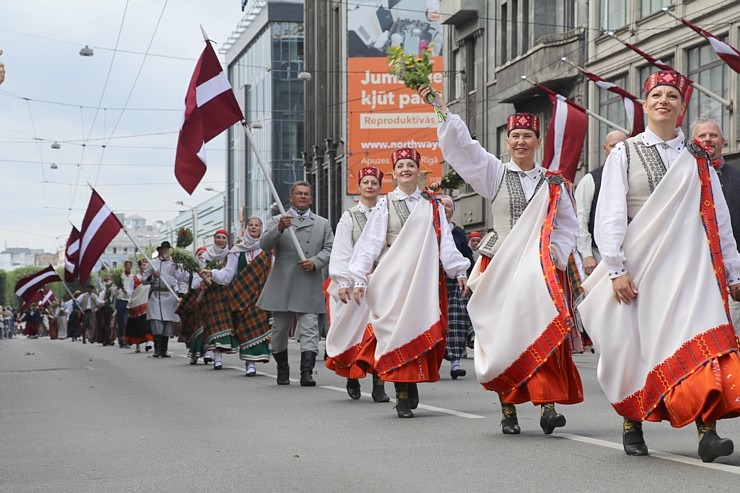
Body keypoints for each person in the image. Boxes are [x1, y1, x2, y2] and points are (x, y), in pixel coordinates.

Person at [578, 70, 740, 462]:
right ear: (645, 105)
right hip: (643, 266)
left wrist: (734, 273)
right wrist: (615, 268)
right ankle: (633, 421)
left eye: (672, 95)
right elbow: (611, 214)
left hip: (692, 267)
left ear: (682, 108)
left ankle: (707, 431)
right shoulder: (625, 153)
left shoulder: (699, 159)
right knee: (638, 346)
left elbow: (719, 220)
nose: (663, 100)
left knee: (703, 340)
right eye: (656, 95)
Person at [424, 86, 583, 434]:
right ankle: (508, 408)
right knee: (501, 335)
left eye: (528, 135)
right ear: (507, 142)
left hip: (539, 269)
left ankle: (547, 405)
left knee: (544, 331)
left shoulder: (553, 183)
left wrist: (556, 253)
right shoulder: (494, 173)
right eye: (515, 136)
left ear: (538, 142)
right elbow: (464, 149)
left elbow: (569, 225)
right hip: (498, 264)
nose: (521, 141)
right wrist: (442, 112)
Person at [349, 148, 470, 418]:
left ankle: (412, 380)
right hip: (394, 278)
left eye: (410, 165)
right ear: (393, 173)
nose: (406, 169)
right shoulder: (385, 204)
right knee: (395, 332)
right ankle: (401, 392)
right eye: (401, 165)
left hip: (425, 279)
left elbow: (445, 243)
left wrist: (459, 270)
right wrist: (359, 277)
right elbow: (370, 243)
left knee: (419, 328)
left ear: (419, 171)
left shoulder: (432, 204)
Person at [257, 181, 334, 386]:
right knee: (279, 330)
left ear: (311, 198)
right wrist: (280, 229)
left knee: (309, 329)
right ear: (291, 197)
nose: (302, 196)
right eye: (298, 193)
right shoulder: (277, 220)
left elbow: (330, 248)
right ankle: (283, 368)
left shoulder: (322, 223)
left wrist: (316, 262)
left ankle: (306, 372)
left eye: (306, 194)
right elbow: (264, 245)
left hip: (309, 282)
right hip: (283, 283)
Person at [325, 167, 390, 402]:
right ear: (359, 186)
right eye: (366, 182)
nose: (370, 186)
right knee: (353, 332)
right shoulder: (350, 216)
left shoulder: (387, 211)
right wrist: (343, 281)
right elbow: (342, 249)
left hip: (380, 280)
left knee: (379, 332)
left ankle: (379, 383)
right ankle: (352, 375)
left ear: (380, 187)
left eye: (374, 182)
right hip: (356, 283)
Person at [202, 218, 272, 376]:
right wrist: (212, 273)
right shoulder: (236, 250)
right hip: (242, 295)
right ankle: (248, 362)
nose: (254, 227)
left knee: (257, 326)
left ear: (261, 229)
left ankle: (252, 363)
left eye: (257, 225)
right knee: (246, 327)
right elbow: (227, 274)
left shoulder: (267, 249)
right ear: (246, 228)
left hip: (261, 294)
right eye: (251, 225)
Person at [692, 118, 740, 334]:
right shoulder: (683, 178)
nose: (707, 140)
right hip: (694, 273)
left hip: (733, 275)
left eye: (713, 135)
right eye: (702, 136)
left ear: (724, 141)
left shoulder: (738, 178)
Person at [574, 130, 628, 276]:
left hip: (631, 254)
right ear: (605, 149)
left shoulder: (634, 178)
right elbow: (580, 218)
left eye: (622, 146)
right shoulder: (590, 180)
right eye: (613, 146)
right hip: (597, 256)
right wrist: (586, 254)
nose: (617, 150)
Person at [440, 195, 475, 380]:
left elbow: (468, 256)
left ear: (453, 210)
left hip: (456, 283)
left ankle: (455, 364)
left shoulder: (458, 232)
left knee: (457, 319)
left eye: (448, 205)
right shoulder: (431, 229)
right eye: (442, 204)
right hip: (436, 281)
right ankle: (435, 359)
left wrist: (467, 276)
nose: (445, 207)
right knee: (436, 320)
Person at [198, 230, 236, 370]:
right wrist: (204, 281)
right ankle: (216, 356)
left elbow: (232, 273)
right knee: (213, 324)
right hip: (210, 293)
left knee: (225, 324)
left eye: (223, 238)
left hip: (226, 293)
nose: (220, 240)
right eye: (218, 237)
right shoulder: (205, 256)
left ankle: (220, 354)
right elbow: (199, 274)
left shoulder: (232, 254)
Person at [143, 242, 188, 358]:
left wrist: (181, 294)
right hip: (156, 294)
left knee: (168, 323)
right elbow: (143, 280)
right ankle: (157, 349)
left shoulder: (175, 264)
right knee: (156, 322)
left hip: (170, 295)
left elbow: (182, 280)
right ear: (160, 250)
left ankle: (164, 349)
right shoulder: (153, 264)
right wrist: (153, 276)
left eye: (167, 249)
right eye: (163, 249)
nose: (165, 251)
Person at [125, 259, 153, 353]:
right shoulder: (134, 278)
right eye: (143, 265)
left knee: (147, 322)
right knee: (137, 324)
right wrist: (128, 294)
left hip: (147, 302)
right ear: (140, 266)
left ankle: (149, 341)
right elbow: (130, 291)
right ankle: (137, 344)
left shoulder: (150, 277)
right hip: (137, 302)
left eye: (146, 265)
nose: (145, 267)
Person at [114, 260, 135, 348]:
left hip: (129, 300)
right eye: (127, 265)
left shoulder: (133, 277)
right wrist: (119, 290)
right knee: (121, 321)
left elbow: (134, 289)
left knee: (128, 321)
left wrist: (128, 292)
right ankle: (121, 339)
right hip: (120, 301)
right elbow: (113, 289)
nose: (128, 267)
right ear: (124, 266)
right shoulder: (120, 277)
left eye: (129, 265)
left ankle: (127, 339)